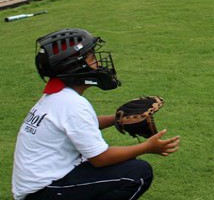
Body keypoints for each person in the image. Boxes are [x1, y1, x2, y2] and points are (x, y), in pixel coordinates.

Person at [12, 28, 180, 200]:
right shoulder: (71, 104)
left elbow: (78, 126)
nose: (98, 63)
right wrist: (148, 147)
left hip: (41, 188)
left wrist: (116, 120)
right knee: (137, 172)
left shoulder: (56, 97)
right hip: (44, 193)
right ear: (74, 66)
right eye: (92, 57)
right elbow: (101, 158)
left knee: (124, 162)